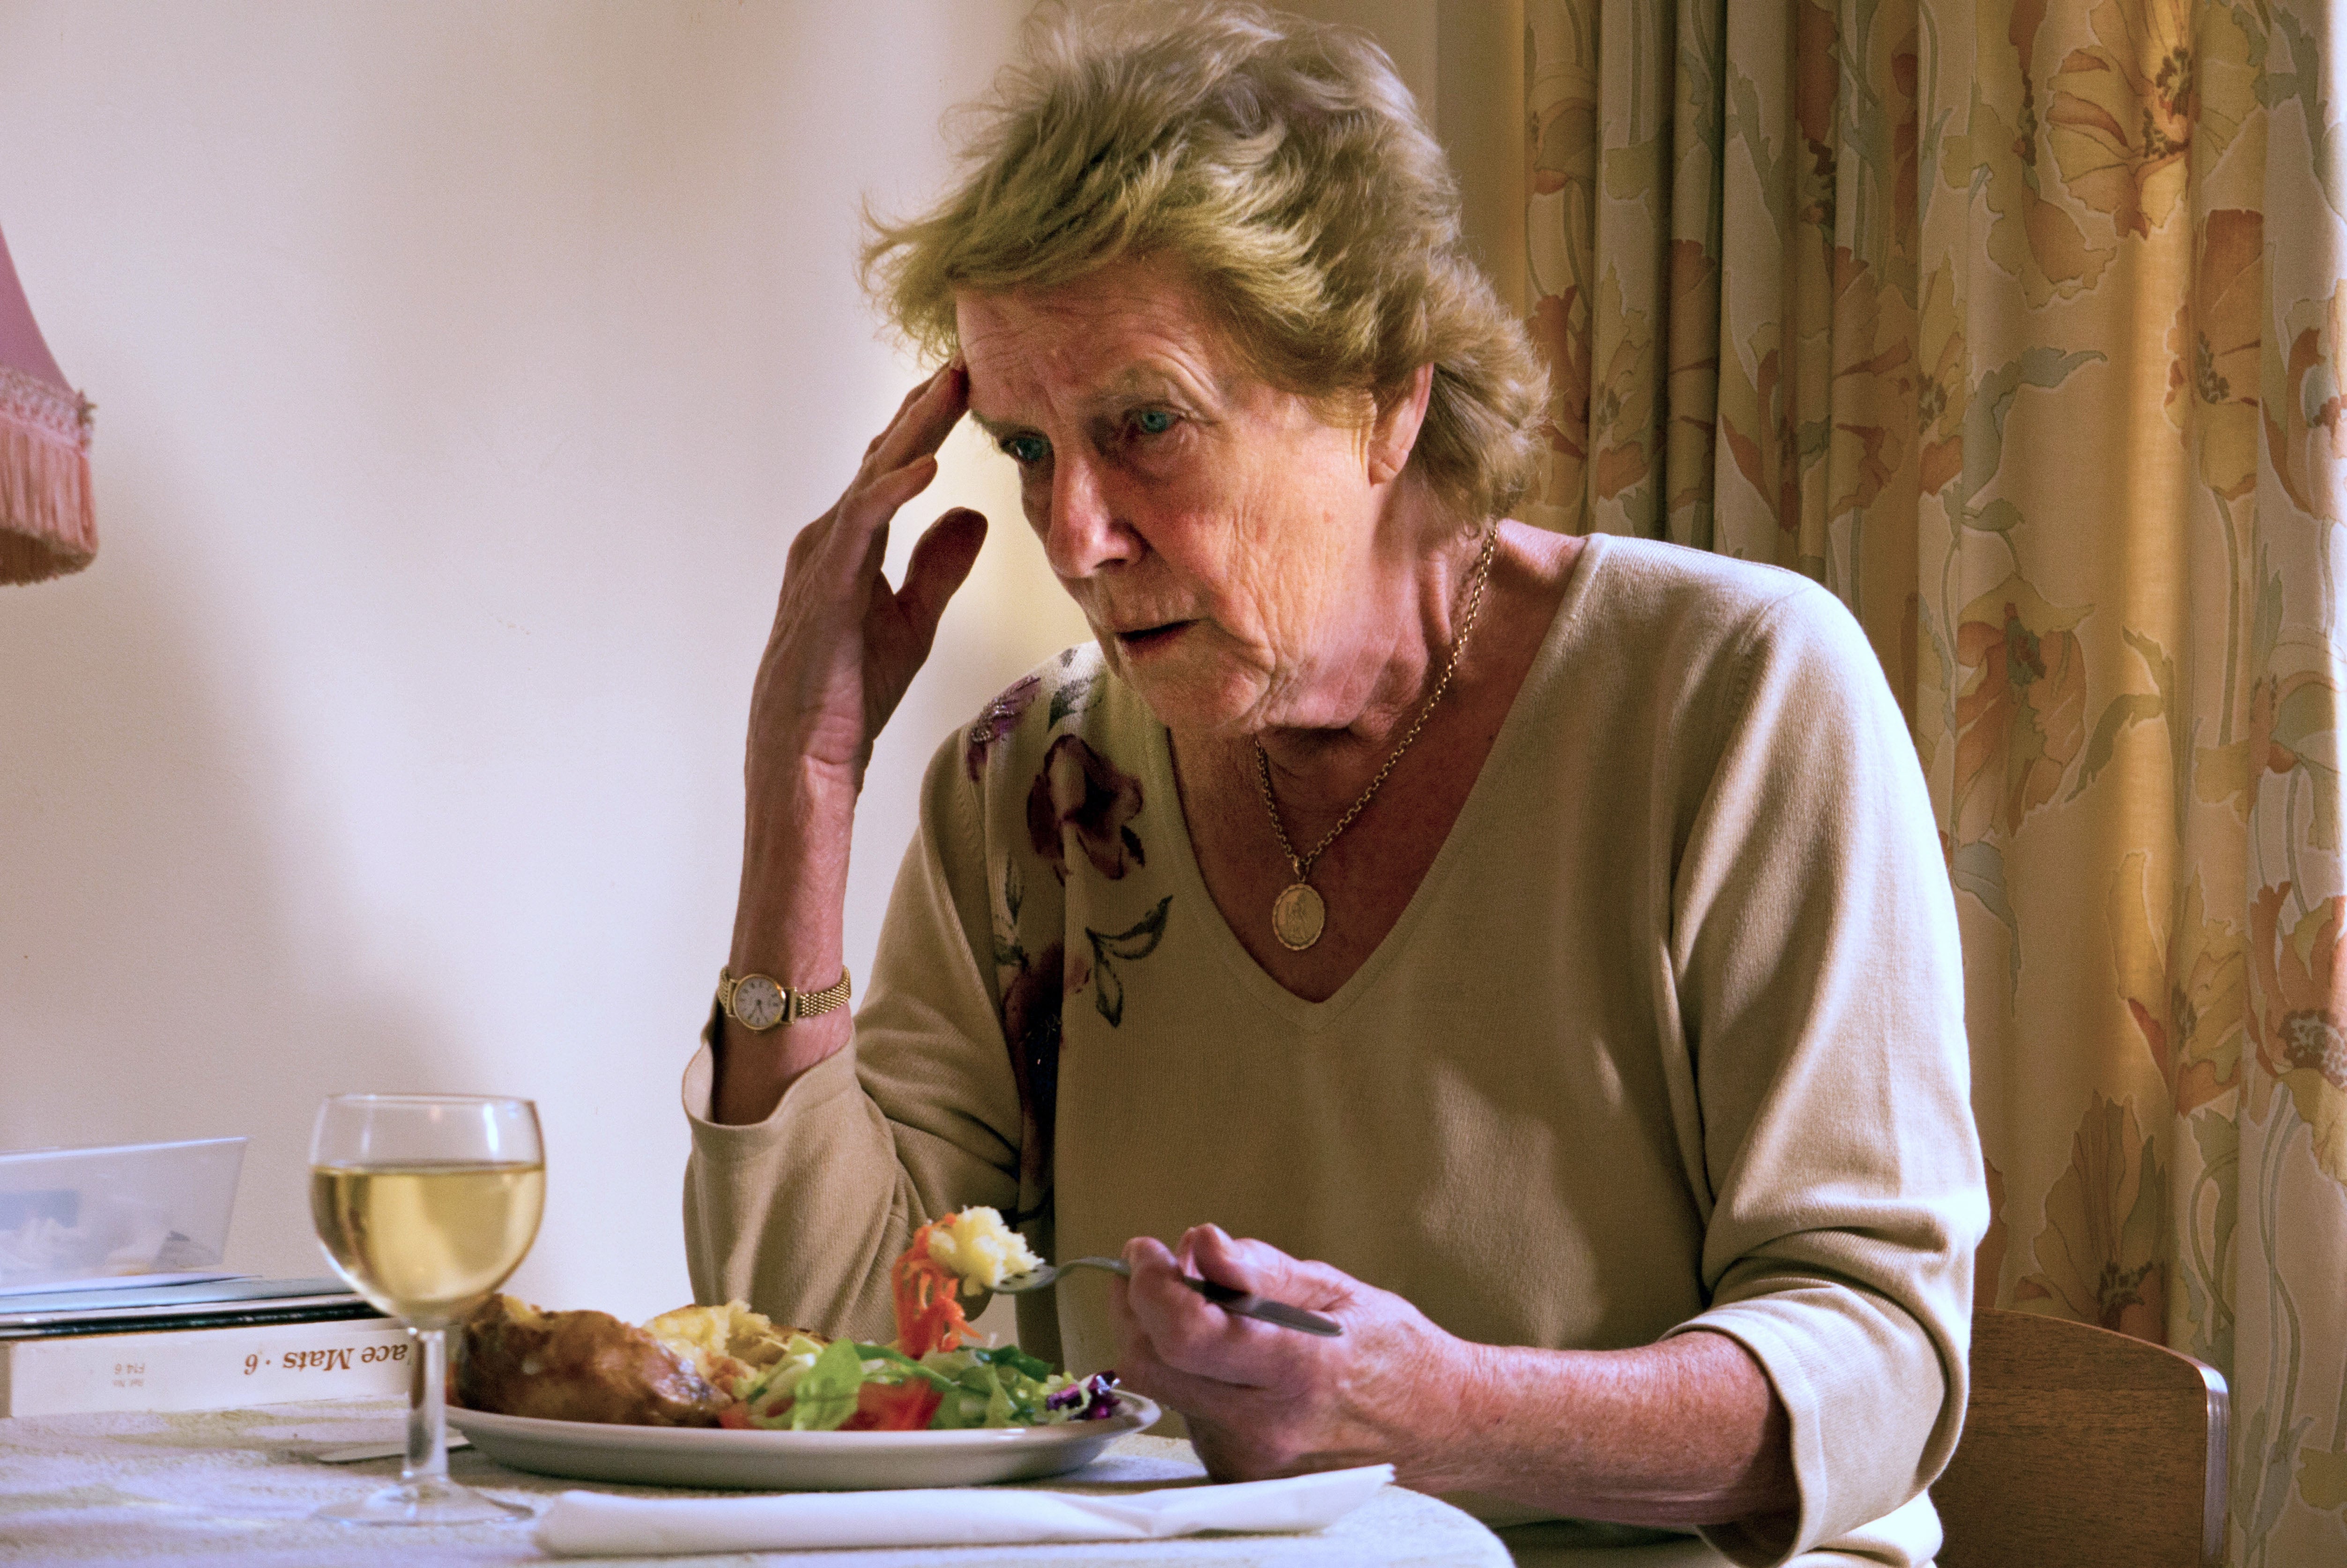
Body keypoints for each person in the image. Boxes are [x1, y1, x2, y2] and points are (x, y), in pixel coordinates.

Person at [682, 5, 1985, 1562]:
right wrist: (807, 780)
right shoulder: (1031, 780)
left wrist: (1445, 1410)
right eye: (1028, 450)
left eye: (1143, 425)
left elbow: (1882, 1358)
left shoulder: (1739, 693)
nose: (1077, 532)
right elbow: (844, 1363)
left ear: (1385, 391)